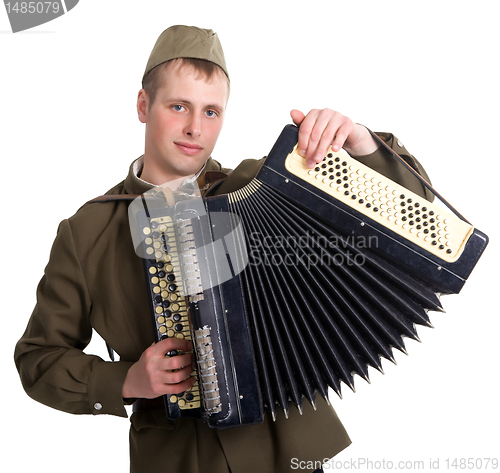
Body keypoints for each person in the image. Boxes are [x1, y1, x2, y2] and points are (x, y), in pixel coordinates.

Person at [14, 25, 433, 473]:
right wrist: (127, 380)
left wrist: (361, 144)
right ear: (143, 105)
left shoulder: (267, 184)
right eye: (179, 106)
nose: (195, 128)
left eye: (211, 112)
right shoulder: (86, 232)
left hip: (288, 451)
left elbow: (415, 214)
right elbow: (38, 358)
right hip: (176, 459)